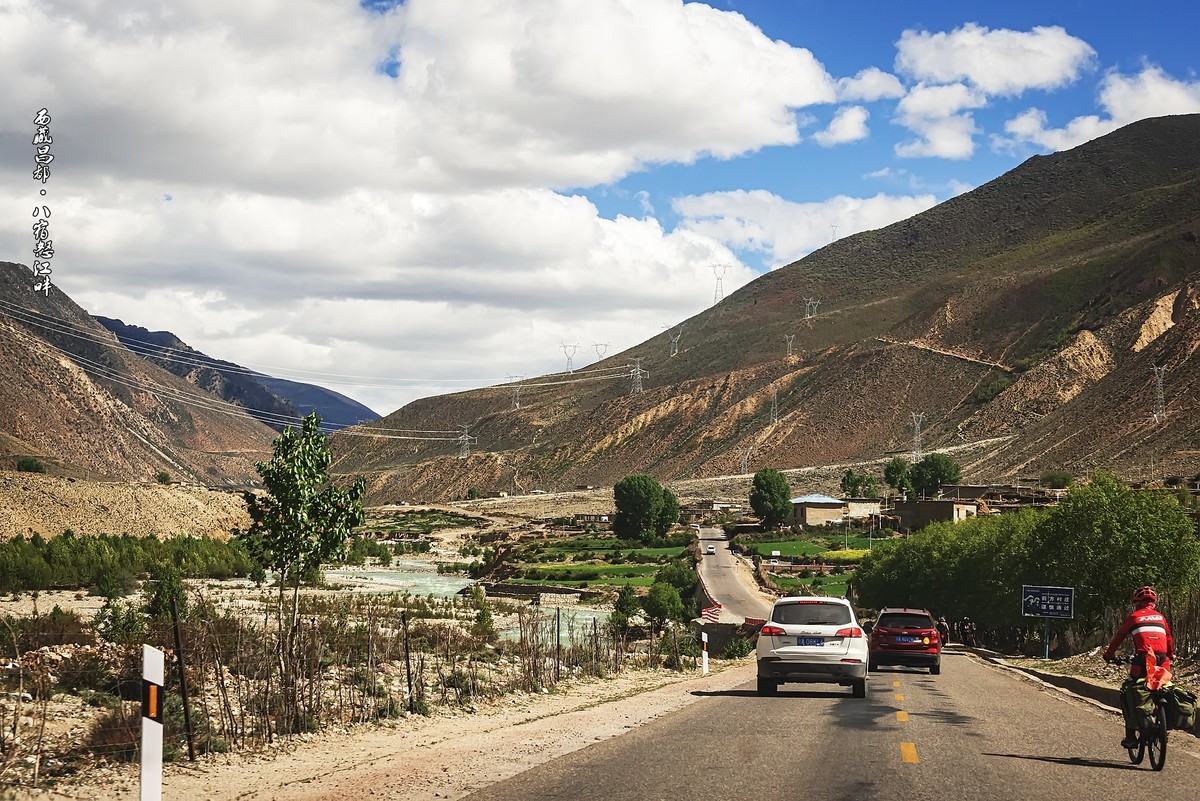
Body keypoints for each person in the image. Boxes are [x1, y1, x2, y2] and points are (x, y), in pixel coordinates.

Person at [1103, 586, 1174, 748]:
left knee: (1128, 690)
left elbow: (1119, 638)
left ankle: (1130, 737)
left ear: (1137, 603)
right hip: (1163, 660)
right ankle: (1163, 725)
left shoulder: (1134, 617)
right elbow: (1169, 640)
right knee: (1163, 687)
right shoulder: (1161, 618)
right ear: (1153, 604)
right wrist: (1170, 656)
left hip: (1143, 660)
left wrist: (1108, 655)